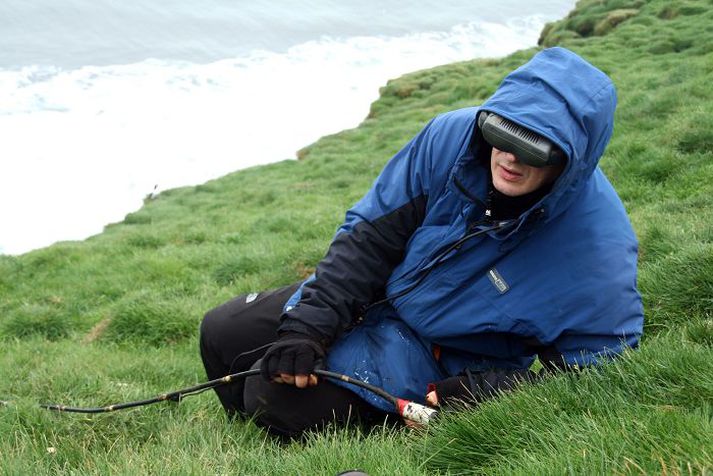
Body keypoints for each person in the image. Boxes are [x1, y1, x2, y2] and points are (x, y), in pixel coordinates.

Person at [199, 47, 644, 438]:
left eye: (535, 148)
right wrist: (308, 328)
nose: (509, 156)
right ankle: (257, 435)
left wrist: (490, 391)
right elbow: (368, 238)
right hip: (377, 301)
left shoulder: (596, 248)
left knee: (272, 395)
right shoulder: (451, 137)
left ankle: (305, 434)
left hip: (447, 361)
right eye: (502, 133)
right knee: (223, 331)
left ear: (572, 160)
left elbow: (603, 373)